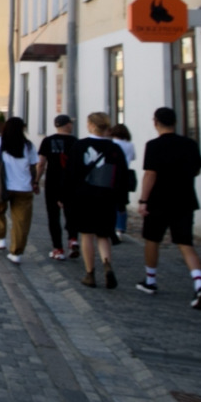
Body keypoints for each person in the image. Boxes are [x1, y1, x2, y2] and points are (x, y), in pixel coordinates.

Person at [136, 106, 201, 309]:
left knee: (152, 239)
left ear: (155, 122)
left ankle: (150, 280)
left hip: (159, 200)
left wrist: (143, 201)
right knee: (186, 243)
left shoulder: (153, 145)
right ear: (175, 122)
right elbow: (197, 170)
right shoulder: (190, 144)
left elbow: (150, 174)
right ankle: (200, 285)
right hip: (185, 199)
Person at [70, 112, 127, 289]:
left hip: (85, 197)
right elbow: (122, 176)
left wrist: (66, 197)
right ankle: (107, 264)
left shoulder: (80, 146)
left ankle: (90, 273)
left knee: (87, 235)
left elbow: (71, 173)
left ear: (91, 125)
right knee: (103, 235)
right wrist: (121, 200)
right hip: (107, 198)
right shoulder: (115, 149)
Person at [0, 117, 37, 263]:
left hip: (3, 186)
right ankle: (16, 252)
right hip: (24, 187)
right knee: (21, 221)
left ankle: (0, 239)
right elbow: (33, 165)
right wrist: (34, 182)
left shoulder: (1, 142)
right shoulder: (28, 146)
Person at [36, 114, 77, 260]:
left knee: (53, 216)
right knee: (71, 212)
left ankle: (58, 249)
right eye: (70, 123)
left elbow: (41, 163)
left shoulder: (47, 141)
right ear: (66, 125)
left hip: (52, 182)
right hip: (71, 182)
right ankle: (73, 239)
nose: (72, 126)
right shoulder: (75, 142)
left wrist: (36, 181)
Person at [111, 123, 137, 241]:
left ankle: (111, 226)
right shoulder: (130, 145)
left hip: (113, 173)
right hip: (125, 174)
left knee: (111, 201)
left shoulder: (112, 144)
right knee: (122, 203)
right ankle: (120, 228)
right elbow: (132, 158)